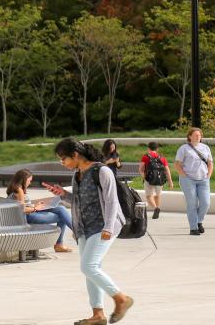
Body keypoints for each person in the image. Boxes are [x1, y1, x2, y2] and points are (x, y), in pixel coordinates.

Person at [45, 139, 134, 325]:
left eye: (64, 159)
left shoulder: (102, 171)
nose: (63, 163)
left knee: (88, 266)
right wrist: (63, 194)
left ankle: (121, 299)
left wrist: (109, 228)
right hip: (85, 229)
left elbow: (111, 202)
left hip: (103, 227)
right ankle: (98, 314)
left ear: (75, 155)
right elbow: (79, 201)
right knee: (91, 270)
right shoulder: (77, 174)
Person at [6, 169, 72, 252]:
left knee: (61, 208)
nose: (30, 183)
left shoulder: (15, 188)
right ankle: (69, 237)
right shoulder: (19, 190)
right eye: (29, 180)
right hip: (27, 217)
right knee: (62, 215)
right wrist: (35, 208)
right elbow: (21, 209)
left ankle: (61, 242)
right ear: (24, 180)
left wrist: (36, 205)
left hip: (28, 214)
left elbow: (21, 205)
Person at [175, 127, 213, 236]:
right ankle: (193, 228)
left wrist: (208, 175)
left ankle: (199, 221)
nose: (198, 137)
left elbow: (210, 163)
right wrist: (184, 175)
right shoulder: (184, 148)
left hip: (203, 179)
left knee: (206, 203)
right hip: (188, 180)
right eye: (195, 135)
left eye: (199, 135)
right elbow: (177, 164)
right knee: (192, 203)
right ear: (189, 137)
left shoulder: (205, 148)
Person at [138, 142, 174, 219]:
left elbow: (141, 169)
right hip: (160, 179)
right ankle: (157, 209)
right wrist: (170, 181)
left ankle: (155, 208)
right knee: (157, 196)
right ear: (157, 149)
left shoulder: (145, 157)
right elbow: (167, 170)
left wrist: (144, 177)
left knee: (149, 196)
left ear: (148, 148)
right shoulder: (162, 158)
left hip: (149, 179)